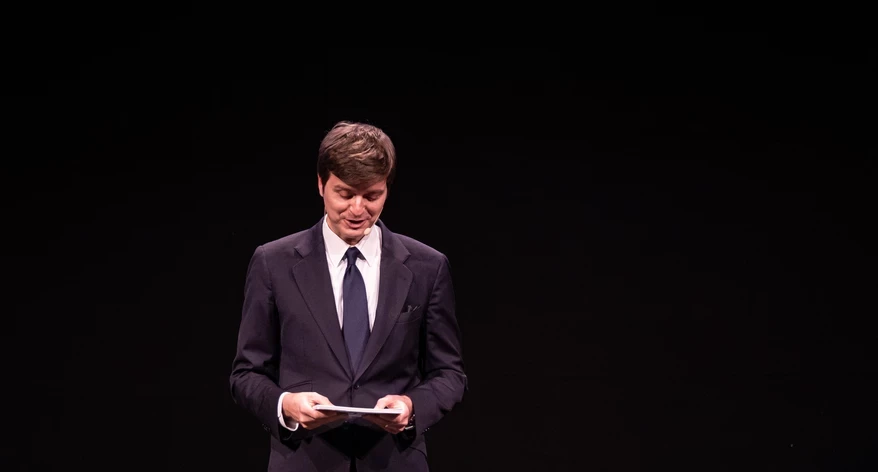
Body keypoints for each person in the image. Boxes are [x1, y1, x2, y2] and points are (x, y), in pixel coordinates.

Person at [230, 121, 467, 472]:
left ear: (387, 189)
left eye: (371, 196)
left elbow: (449, 373)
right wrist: (286, 405)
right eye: (344, 194)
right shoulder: (273, 263)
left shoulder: (427, 267)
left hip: (394, 461)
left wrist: (412, 406)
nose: (358, 209)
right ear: (321, 184)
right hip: (305, 460)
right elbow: (246, 374)